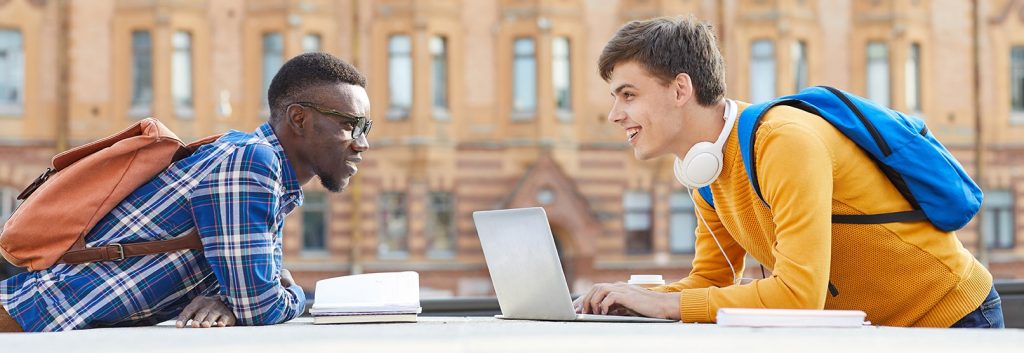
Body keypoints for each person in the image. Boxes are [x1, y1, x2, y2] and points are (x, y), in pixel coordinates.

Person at [574, 16, 1003, 328]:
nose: (614, 114)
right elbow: (711, 280)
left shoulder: (782, 142)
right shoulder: (702, 169)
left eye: (628, 95)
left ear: (681, 89)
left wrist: (666, 306)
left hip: (952, 317)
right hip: (880, 329)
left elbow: (799, 296)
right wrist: (633, 299)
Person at [0, 52, 371, 332]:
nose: (362, 143)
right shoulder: (250, 163)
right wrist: (295, 296)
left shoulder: (262, 173)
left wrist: (230, 301)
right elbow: (261, 305)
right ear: (299, 119)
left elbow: (249, 296)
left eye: (365, 127)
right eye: (349, 125)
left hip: (40, 320)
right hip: (29, 317)